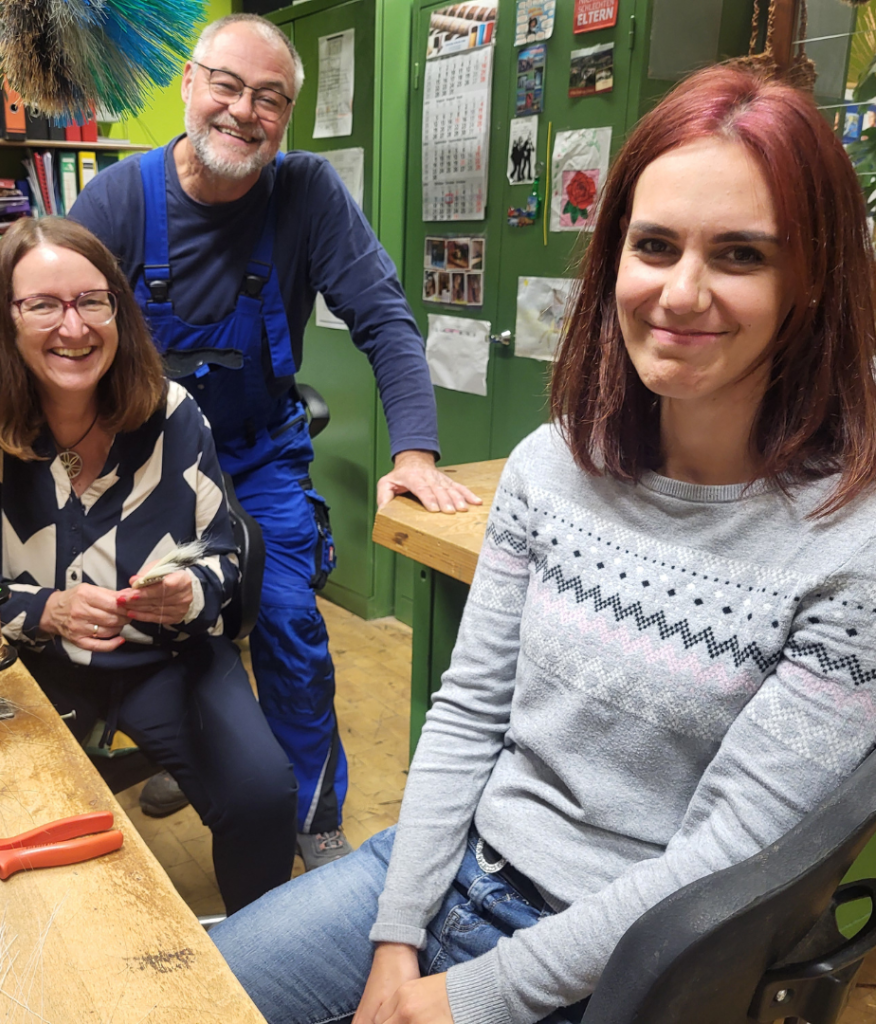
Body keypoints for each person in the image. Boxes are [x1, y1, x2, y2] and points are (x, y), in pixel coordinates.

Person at [209, 64, 876, 1022]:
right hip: (447, 875)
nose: (682, 292)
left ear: (810, 282)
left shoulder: (850, 549)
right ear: (614, 261)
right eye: (655, 246)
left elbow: (725, 857)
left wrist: (462, 999)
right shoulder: (551, 466)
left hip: (630, 961)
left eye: (740, 255)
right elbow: (472, 710)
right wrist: (397, 943)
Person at [69, 12, 479, 868]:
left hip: (257, 456)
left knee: (290, 623)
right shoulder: (115, 201)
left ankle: (313, 815)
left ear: (287, 115)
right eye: (226, 84)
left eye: (270, 98)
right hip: (139, 467)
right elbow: (35, 339)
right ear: (190, 83)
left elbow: (387, 321)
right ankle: (201, 755)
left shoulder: (305, 194)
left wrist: (415, 455)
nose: (242, 111)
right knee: (149, 617)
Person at [0, 217, 297, 914]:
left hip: (166, 657)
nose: (72, 328)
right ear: (4, 319)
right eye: (43, 305)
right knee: (2, 822)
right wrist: (39, 609)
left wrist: (189, 592)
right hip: (27, 663)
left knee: (264, 795)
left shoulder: (172, 411)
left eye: (91, 301)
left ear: (118, 311)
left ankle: (259, 971)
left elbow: (225, 554)